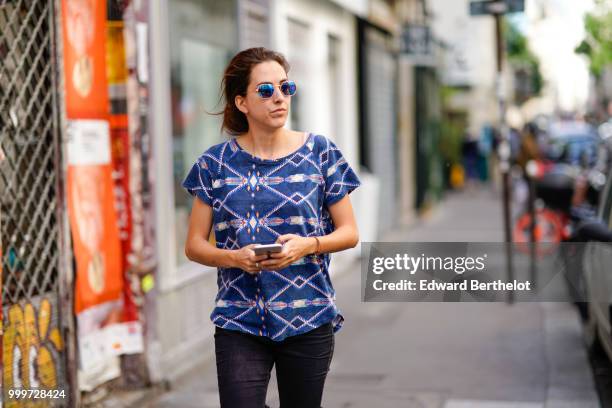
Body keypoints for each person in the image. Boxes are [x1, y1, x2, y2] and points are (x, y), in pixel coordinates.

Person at [182, 47, 361, 408]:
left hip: (308, 316)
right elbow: (194, 245)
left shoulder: (320, 153)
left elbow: (349, 233)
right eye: (265, 90)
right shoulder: (213, 164)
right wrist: (233, 257)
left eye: (285, 87)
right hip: (239, 318)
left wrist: (306, 246)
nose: (279, 97)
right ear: (242, 102)